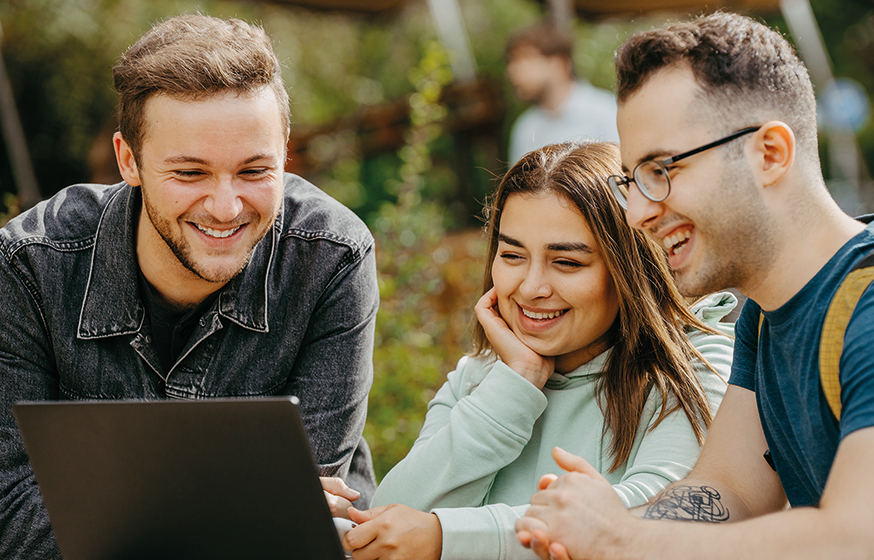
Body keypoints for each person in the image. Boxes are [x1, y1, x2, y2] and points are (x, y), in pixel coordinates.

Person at [514, 11, 874, 560]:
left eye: (661, 171)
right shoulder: (767, 315)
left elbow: (868, 542)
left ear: (770, 153)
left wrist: (623, 537)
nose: (636, 214)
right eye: (632, 181)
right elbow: (731, 493)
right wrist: (592, 525)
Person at [0, 14, 379, 558]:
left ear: (285, 154)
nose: (226, 208)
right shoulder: (28, 268)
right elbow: (13, 517)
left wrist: (119, 517)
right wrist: (245, 509)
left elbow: (305, 518)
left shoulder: (333, 258)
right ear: (128, 160)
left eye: (253, 171)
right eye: (189, 173)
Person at [323, 140, 736, 560]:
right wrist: (517, 382)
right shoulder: (481, 377)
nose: (531, 288)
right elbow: (392, 516)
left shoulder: (696, 365)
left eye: (567, 263)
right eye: (513, 255)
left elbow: (654, 513)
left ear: (628, 269)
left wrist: (446, 538)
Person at [505, 24, 619, 165]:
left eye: (525, 58)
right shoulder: (525, 128)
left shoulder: (605, 111)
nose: (513, 71)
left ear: (559, 63)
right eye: (512, 62)